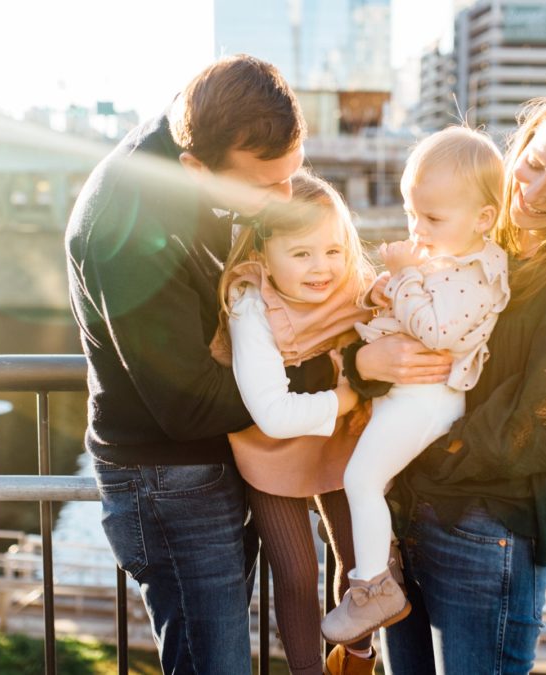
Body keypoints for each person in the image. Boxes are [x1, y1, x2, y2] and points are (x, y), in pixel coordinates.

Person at [347, 76, 546, 674]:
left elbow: (536, 430)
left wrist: (426, 456)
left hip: (484, 532)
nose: (535, 191)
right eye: (534, 164)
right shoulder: (491, 252)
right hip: (422, 513)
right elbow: (414, 344)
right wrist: (362, 366)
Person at [65, 55, 307, 673]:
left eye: (293, 175)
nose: (286, 199)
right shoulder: (125, 224)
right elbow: (187, 404)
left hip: (206, 468)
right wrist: (323, 376)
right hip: (167, 483)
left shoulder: (201, 130)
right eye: (265, 186)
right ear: (196, 167)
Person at [319, 126, 509, 647]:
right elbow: (412, 312)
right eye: (411, 214)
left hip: (427, 399)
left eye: (431, 218)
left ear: (484, 218)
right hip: (406, 395)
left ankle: (372, 588)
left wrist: (402, 277)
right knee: (367, 483)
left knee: (361, 480)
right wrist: (388, 291)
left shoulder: (478, 271)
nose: (417, 228)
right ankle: (377, 578)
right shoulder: (447, 257)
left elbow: (439, 330)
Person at [209, 171, 379, 675]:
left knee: (362, 565)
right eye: (301, 253)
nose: (321, 267)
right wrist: (350, 396)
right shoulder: (250, 302)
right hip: (273, 448)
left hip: (337, 440)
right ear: (264, 252)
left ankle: (355, 659)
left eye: (333, 250)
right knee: (297, 571)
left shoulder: (355, 286)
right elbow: (273, 414)